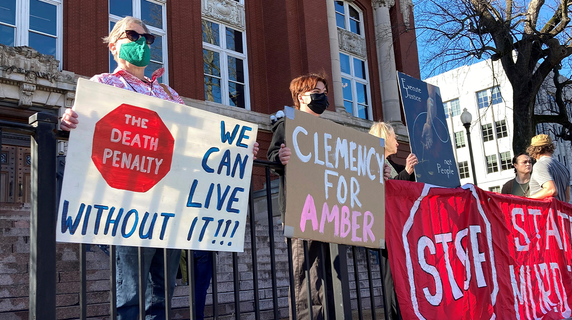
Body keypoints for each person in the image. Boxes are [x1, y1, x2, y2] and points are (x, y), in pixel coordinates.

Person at [60, 16, 258, 319]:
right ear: (114, 46)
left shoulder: (168, 94)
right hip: (126, 206)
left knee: (162, 294)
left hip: (169, 207)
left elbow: (196, 141)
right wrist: (68, 121)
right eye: (133, 35)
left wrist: (239, 149)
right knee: (130, 294)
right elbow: (86, 129)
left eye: (147, 38)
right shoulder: (102, 85)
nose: (141, 42)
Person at [267, 73, 391, 319]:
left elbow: (351, 168)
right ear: (302, 97)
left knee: (331, 276)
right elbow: (272, 158)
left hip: (331, 211)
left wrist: (379, 169)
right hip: (303, 210)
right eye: (318, 93)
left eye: (325, 93)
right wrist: (279, 159)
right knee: (305, 274)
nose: (324, 98)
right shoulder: (287, 125)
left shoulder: (331, 132)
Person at [369, 121, 417, 320]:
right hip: (385, 228)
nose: (397, 142)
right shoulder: (371, 163)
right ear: (383, 138)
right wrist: (406, 173)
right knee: (391, 277)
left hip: (401, 228)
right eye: (394, 137)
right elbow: (385, 192)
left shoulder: (394, 165)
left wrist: (410, 173)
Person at [527, 134, 571, 202]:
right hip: (560, 211)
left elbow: (551, 190)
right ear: (551, 148)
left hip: (545, 211)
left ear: (533, 150)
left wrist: (527, 200)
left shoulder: (540, 165)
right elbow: (567, 198)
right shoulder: (564, 168)